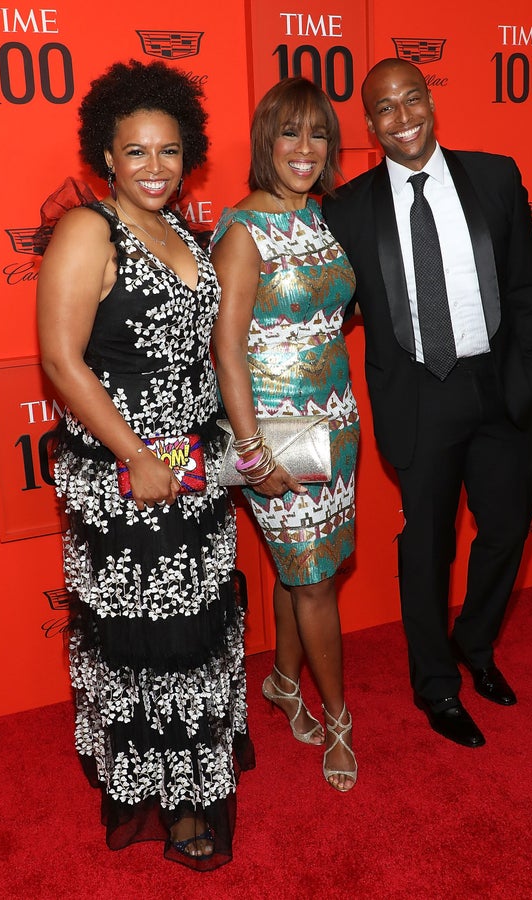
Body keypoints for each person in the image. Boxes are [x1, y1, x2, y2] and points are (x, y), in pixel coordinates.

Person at [36, 59, 253, 870]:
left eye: (169, 151)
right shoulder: (88, 230)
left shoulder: (190, 235)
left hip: (196, 478)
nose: (155, 167)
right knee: (149, 643)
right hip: (128, 482)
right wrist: (135, 455)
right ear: (107, 157)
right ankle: (171, 802)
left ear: (188, 152)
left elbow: (208, 357)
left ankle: (199, 770)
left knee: (198, 635)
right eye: (136, 152)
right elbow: (61, 361)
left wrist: (234, 450)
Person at [323, 59, 532, 748]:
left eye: (410, 99)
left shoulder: (496, 175)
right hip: (418, 394)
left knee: (510, 523)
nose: (401, 117)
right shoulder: (347, 208)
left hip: (495, 383)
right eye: (384, 109)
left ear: (430, 102)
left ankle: (473, 648)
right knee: (427, 544)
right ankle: (436, 687)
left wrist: (520, 375)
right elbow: (314, 297)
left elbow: (526, 287)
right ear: (369, 125)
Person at [210, 77, 359, 792]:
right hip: (276, 431)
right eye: (290, 133)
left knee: (307, 571)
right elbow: (225, 349)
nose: (305, 149)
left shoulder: (327, 218)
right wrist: (250, 450)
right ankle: (337, 721)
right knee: (316, 584)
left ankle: (279, 680)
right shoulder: (243, 229)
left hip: (337, 421)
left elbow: (336, 309)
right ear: (266, 141)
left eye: (318, 134)